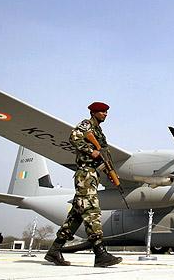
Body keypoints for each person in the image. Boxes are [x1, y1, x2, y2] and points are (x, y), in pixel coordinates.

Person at [45, 102, 122, 267]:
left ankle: (54, 250)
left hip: (92, 175)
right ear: (94, 112)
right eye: (102, 112)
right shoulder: (86, 124)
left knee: (76, 216)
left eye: (107, 112)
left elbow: (104, 154)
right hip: (85, 175)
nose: (105, 114)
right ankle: (100, 253)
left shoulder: (99, 132)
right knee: (92, 211)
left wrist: (110, 171)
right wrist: (90, 150)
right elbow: (74, 137)